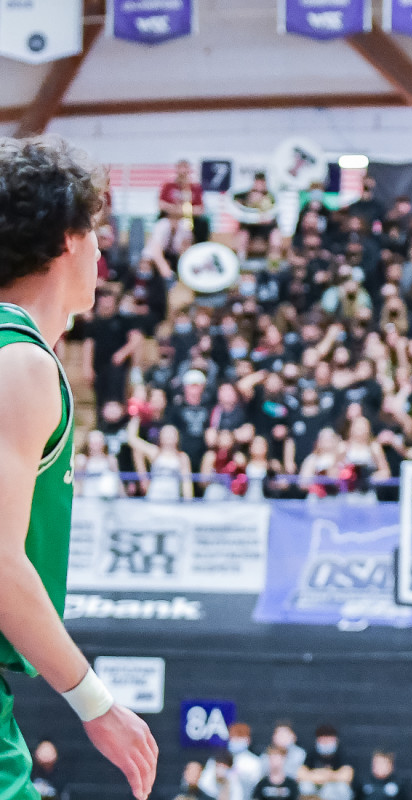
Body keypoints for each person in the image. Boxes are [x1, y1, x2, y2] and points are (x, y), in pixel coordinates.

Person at [0, 136, 157, 798]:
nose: (104, 252)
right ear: (68, 239)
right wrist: (98, 704)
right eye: (96, 232)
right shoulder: (20, 363)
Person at [297, 724, 353, 800]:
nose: (326, 743)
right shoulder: (312, 753)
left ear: (335, 740)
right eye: (323, 740)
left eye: (328, 740)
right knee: (305, 786)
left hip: (333, 788)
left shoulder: (341, 753)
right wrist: (318, 777)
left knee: (339, 788)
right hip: (315, 786)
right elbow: (301, 774)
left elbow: (347, 776)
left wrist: (328, 776)